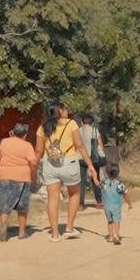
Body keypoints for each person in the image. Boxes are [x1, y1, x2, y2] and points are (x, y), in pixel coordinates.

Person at [34, 102, 99, 241]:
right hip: (69, 163)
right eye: (65, 109)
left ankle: (55, 234)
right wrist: (90, 165)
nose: (67, 111)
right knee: (74, 194)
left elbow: (38, 151)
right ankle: (69, 228)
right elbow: (79, 145)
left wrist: (33, 168)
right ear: (60, 110)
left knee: (52, 199)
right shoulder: (71, 124)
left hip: (50, 164)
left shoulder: (43, 127)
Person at [0, 123, 38, 241]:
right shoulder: (27, 145)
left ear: (13, 132)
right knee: (22, 206)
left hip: (4, 176)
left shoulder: (3, 142)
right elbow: (33, 162)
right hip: (22, 177)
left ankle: (4, 224)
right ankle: (22, 232)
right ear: (25, 134)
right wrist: (34, 175)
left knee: (4, 203)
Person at [78, 113, 105, 208]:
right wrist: (101, 154)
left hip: (81, 158)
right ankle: (99, 202)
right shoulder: (94, 130)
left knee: (81, 181)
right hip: (93, 159)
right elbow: (100, 144)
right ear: (92, 123)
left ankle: (80, 204)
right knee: (95, 179)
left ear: (82, 122)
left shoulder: (78, 131)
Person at [101, 164, 132, 244]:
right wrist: (129, 204)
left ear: (107, 173)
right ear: (118, 173)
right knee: (117, 221)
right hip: (116, 207)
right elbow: (125, 194)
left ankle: (111, 237)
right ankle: (115, 235)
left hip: (106, 207)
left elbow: (98, 185)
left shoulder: (104, 182)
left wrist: (94, 177)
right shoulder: (119, 184)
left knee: (110, 222)